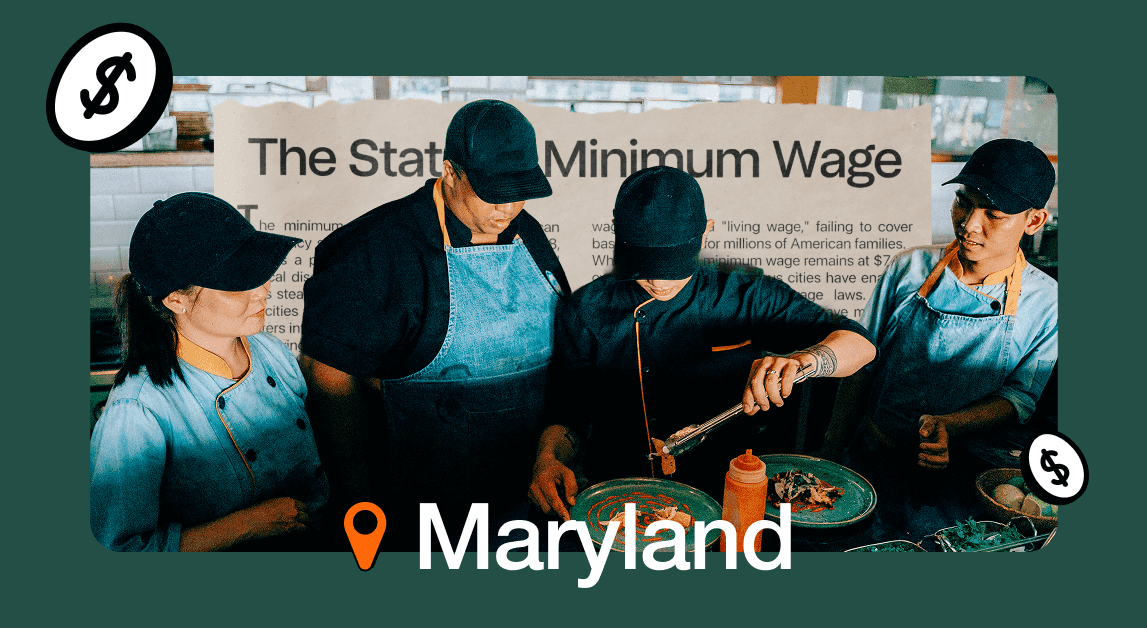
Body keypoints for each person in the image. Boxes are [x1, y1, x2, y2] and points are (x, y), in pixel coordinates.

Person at [529, 166, 877, 520]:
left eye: (673, 264)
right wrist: (548, 458)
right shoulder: (586, 309)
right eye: (645, 264)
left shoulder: (746, 295)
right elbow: (566, 411)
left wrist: (804, 361)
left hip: (730, 491)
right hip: (622, 494)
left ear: (706, 233)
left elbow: (862, 344)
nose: (659, 281)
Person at [300, 100, 569, 550]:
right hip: (423, 502)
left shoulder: (527, 232)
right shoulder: (375, 251)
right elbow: (329, 382)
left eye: (520, 191)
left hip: (527, 486)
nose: (509, 207)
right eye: (493, 192)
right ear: (450, 171)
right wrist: (360, 508)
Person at [821, 138, 1057, 538]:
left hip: (966, 476)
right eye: (963, 201)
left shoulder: (1047, 302)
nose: (969, 223)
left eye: (994, 214)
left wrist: (952, 425)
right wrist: (831, 450)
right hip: (875, 453)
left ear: (1033, 221)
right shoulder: (909, 270)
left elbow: (1020, 398)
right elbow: (862, 362)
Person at [90, 193, 328, 552]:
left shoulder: (271, 351)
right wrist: (250, 524)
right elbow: (119, 553)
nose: (263, 292)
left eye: (259, 274)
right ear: (176, 300)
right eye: (237, 283)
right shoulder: (137, 411)